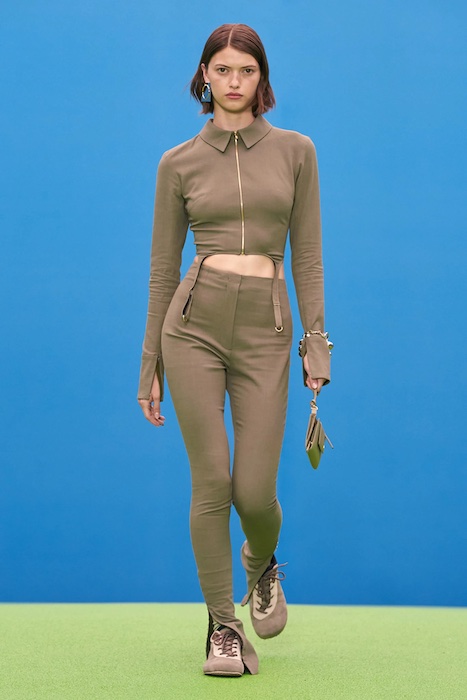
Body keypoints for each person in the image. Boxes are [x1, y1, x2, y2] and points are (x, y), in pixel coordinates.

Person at [137, 23, 331, 677]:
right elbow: (162, 271)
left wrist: (316, 345)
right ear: (204, 77)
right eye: (220, 69)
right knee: (212, 482)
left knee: (253, 491)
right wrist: (150, 364)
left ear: (260, 78)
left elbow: (307, 256)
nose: (233, 81)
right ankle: (222, 626)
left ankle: (260, 560)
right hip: (191, 327)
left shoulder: (296, 152)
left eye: (245, 70)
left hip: (265, 332)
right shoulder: (178, 163)